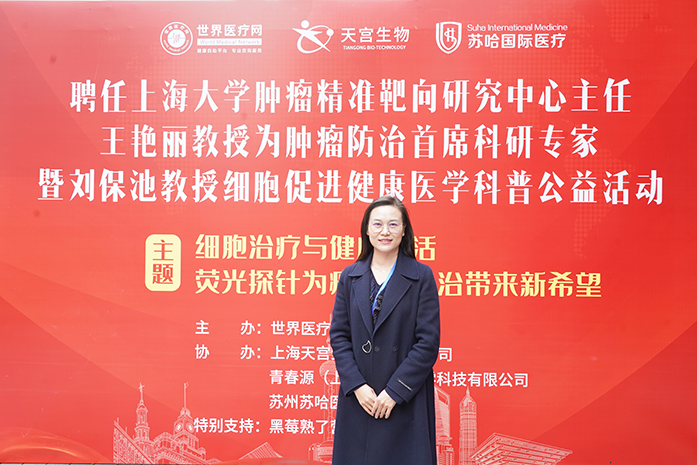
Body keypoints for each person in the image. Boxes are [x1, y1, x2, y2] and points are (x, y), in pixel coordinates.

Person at [329, 195, 441, 465]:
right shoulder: (350, 276)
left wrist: (395, 392)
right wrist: (357, 386)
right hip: (361, 398)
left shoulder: (421, 276)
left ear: (404, 230)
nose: (385, 231)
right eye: (377, 224)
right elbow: (339, 336)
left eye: (393, 224)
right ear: (367, 230)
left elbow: (427, 342)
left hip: (405, 398)